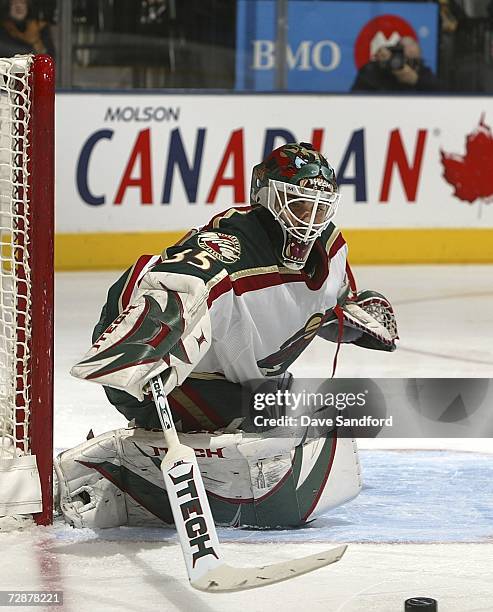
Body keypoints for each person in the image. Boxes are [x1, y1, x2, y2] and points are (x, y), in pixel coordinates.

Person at [65, 143, 398, 530]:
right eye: (299, 203)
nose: (310, 217)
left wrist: (352, 318)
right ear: (266, 197)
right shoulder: (232, 244)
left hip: (235, 373)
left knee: (293, 408)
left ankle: (196, 440)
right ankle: (135, 462)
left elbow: (322, 303)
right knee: (262, 421)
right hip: (156, 361)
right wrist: (142, 346)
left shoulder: (331, 249)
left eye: (320, 206)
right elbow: (179, 284)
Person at [351, 36, 441, 92]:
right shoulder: (376, 70)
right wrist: (388, 62)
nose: (409, 49)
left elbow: (441, 91)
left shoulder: (423, 72)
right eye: (403, 47)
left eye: (412, 45)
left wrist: (416, 80)